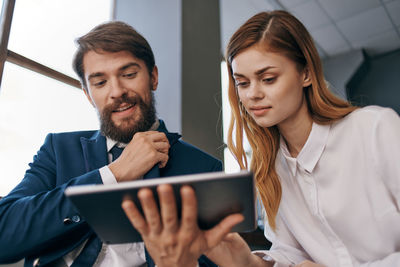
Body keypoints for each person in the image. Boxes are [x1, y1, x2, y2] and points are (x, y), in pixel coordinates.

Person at [122, 10, 400, 267]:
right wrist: (247, 262)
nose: (252, 94)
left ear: (305, 73)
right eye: (242, 83)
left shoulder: (374, 129)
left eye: (267, 79)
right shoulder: (270, 166)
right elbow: (291, 253)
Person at [0, 21, 232, 267]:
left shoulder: (204, 169)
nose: (117, 91)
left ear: (153, 77)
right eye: (100, 83)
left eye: (129, 74)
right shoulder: (58, 150)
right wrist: (114, 174)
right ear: (89, 95)